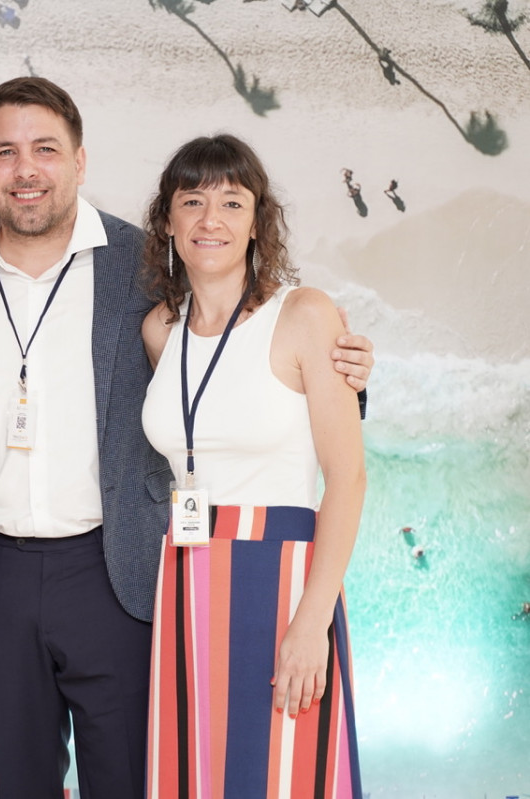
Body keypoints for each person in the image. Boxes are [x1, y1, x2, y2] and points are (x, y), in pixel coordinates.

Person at [0, 79, 374, 799]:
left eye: (45, 149)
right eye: (6, 152)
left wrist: (351, 377)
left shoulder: (138, 268)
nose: (26, 168)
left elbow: (259, 374)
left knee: (156, 778)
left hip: (117, 575)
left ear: (80, 160)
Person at [141, 133, 366, 797]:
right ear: (168, 221)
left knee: (286, 775)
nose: (211, 220)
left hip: (282, 577)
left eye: (232, 203)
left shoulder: (303, 314)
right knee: (198, 773)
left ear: (257, 221)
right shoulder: (162, 327)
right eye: (193, 201)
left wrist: (312, 619)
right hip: (183, 576)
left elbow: (348, 478)